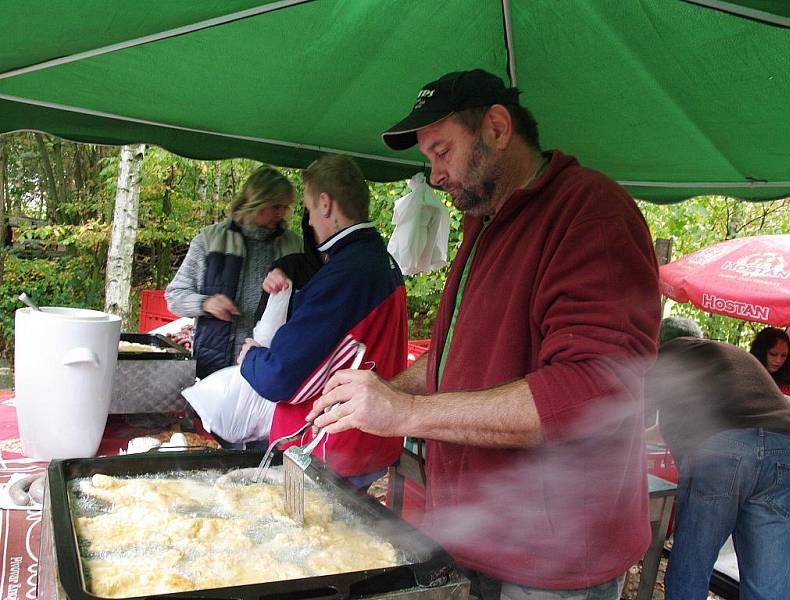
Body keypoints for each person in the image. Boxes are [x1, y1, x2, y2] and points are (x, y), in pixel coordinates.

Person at [307, 69, 662, 599]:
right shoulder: (484, 222)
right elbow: (457, 355)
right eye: (429, 159)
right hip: (473, 533)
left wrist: (404, 414)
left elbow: (589, 395)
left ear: (497, 128)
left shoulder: (591, 214)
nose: (435, 174)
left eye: (442, 151)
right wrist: (382, 389)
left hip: (552, 558)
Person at [239, 154, 407, 489]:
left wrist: (251, 358)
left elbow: (283, 378)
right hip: (363, 442)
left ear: (326, 204)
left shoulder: (347, 272)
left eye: (309, 209)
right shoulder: (380, 260)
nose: (310, 222)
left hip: (326, 453)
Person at [647, 318, 790, 600]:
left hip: (724, 451)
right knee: (771, 583)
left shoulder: (669, 355)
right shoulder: (729, 355)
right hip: (788, 451)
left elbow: (645, 422)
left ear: (660, 343)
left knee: (692, 564)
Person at [165, 166, 302, 379]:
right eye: (275, 206)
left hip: (270, 365)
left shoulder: (294, 245)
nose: (281, 214)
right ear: (255, 202)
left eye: (285, 207)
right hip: (214, 363)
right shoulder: (210, 240)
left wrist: (293, 283)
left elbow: (311, 301)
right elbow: (174, 296)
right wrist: (206, 303)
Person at [749, 326, 790, 410]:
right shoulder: (745, 373)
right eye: (773, 354)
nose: (778, 360)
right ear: (761, 352)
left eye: (783, 356)